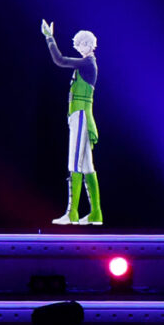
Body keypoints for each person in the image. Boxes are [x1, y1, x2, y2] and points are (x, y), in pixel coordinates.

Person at [41, 19, 103, 225]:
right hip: (79, 115)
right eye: (77, 44)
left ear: (88, 44)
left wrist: (49, 38)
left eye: (81, 44)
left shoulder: (87, 63)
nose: (78, 47)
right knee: (86, 165)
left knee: (75, 163)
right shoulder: (87, 63)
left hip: (81, 116)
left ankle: (73, 213)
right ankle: (95, 214)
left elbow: (59, 60)